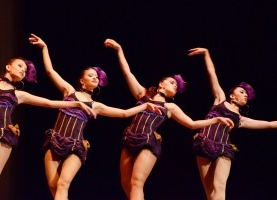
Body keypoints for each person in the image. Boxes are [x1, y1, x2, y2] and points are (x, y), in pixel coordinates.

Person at [0, 8, 101, 200]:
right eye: (20, 66)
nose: (23, 70)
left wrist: (76, 105)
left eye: (25, 69)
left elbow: (50, 103)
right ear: (8, 66)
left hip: (3, 135)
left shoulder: (19, 94)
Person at [29, 33, 163, 200]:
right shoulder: (69, 92)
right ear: (82, 80)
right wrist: (44, 48)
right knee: (53, 185)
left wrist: (145, 105)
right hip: (54, 141)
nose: (95, 78)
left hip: (75, 146)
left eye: (96, 77)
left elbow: (124, 113)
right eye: (90, 75)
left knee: (63, 183)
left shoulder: (96, 106)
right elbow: (50, 71)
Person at [104, 39, 235, 200]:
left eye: (176, 87)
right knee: (126, 183)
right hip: (129, 138)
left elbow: (192, 124)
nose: (175, 86)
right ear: (161, 84)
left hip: (148, 141)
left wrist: (216, 120)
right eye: (172, 82)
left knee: (136, 182)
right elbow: (127, 72)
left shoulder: (170, 108)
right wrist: (119, 50)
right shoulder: (142, 95)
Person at [188, 47, 277, 200]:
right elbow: (212, 73)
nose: (245, 95)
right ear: (232, 95)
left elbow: (270, 124)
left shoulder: (241, 119)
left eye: (246, 95)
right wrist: (207, 54)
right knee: (210, 193)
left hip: (224, 148)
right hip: (203, 143)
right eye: (242, 92)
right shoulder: (220, 99)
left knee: (220, 188)